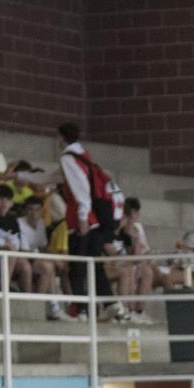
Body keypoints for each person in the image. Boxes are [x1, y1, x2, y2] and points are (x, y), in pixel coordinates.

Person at [57, 122, 118, 307]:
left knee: (78, 267)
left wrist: (83, 216)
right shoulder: (83, 155)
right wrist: (21, 177)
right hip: (94, 220)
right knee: (95, 266)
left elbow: (81, 188)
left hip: (81, 221)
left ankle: (81, 309)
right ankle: (110, 304)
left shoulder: (67, 158)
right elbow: (58, 177)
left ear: (61, 137)